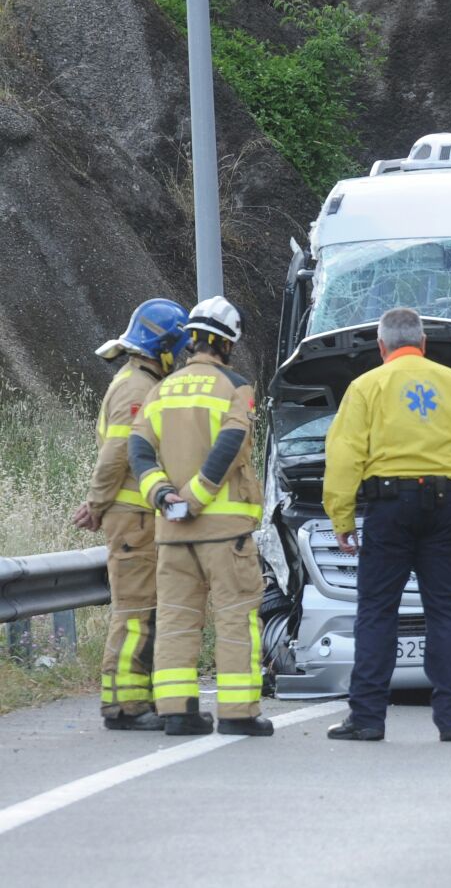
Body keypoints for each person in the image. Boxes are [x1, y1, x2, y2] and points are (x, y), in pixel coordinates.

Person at [322, 307, 451, 742]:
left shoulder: (366, 385)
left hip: (390, 506)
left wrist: (341, 517)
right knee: (446, 612)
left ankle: (366, 718)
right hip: (448, 505)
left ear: (381, 347)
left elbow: (344, 456)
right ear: (424, 344)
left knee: (378, 611)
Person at [128, 296, 270, 736]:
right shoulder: (236, 387)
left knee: (174, 618)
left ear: (191, 340)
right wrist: (195, 497)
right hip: (225, 533)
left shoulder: (160, 389)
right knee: (235, 617)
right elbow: (232, 443)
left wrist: (164, 496)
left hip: (171, 532)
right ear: (227, 345)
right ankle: (237, 714)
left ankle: (177, 712)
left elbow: (138, 450)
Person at [72, 298, 189, 731]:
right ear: (162, 347)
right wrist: (97, 502)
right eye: (177, 347)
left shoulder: (136, 381)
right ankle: (123, 706)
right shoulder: (138, 388)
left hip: (140, 516)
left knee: (146, 610)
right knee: (135, 611)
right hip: (134, 516)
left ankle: (141, 700)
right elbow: (118, 452)